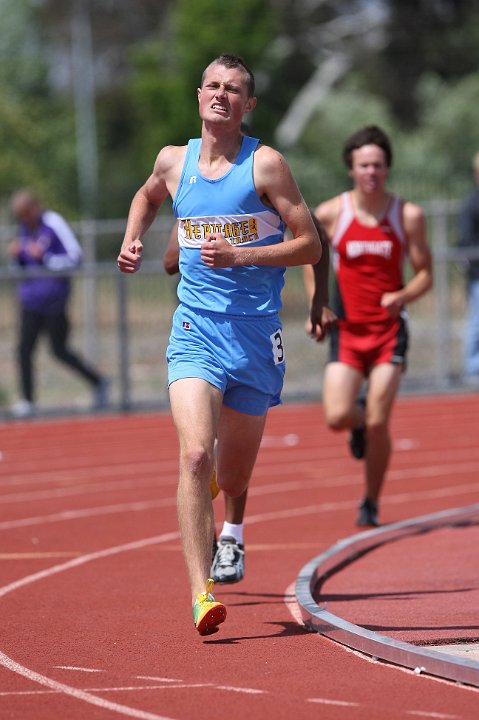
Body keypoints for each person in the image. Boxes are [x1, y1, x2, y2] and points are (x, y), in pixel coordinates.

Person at [117, 53, 322, 635]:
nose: (221, 95)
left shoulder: (267, 167)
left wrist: (243, 255)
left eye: (233, 89)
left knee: (230, 480)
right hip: (195, 329)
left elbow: (309, 245)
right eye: (212, 85)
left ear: (247, 105)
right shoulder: (172, 160)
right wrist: (134, 240)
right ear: (198, 94)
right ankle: (201, 593)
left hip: (254, 337)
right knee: (193, 455)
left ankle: (222, 512)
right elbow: (146, 196)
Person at [164, 210, 332, 587]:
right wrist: (193, 238)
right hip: (201, 334)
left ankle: (232, 533)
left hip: (253, 338)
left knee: (232, 469)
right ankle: (210, 566)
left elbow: (315, 238)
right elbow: (169, 262)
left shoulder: (265, 181)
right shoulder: (196, 194)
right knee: (197, 452)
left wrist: (318, 299)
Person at [305, 125, 433, 527]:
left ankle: (370, 502)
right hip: (347, 331)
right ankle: (356, 422)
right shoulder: (331, 213)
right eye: (364, 165)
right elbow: (310, 254)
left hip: (389, 332)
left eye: (378, 165)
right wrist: (318, 303)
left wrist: (403, 296)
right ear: (351, 169)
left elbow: (426, 273)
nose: (371, 172)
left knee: (381, 421)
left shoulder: (406, 215)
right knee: (337, 416)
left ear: (388, 168)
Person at [8, 189, 110, 418]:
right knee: (24, 349)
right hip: (30, 301)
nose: (24, 219)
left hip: (54, 301)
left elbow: (75, 256)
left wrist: (44, 258)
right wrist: (17, 255)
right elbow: (23, 265)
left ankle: (99, 382)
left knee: (59, 350)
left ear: (34, 207)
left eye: (25, 214)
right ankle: (27, 400)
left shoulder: (53, 222)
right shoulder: (24, 229)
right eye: (20, 216)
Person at [458, 151, 479, 380]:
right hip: (478, 275)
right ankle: (474, 369)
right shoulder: (471, 205)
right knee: (477, 322)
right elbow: (465, 240)